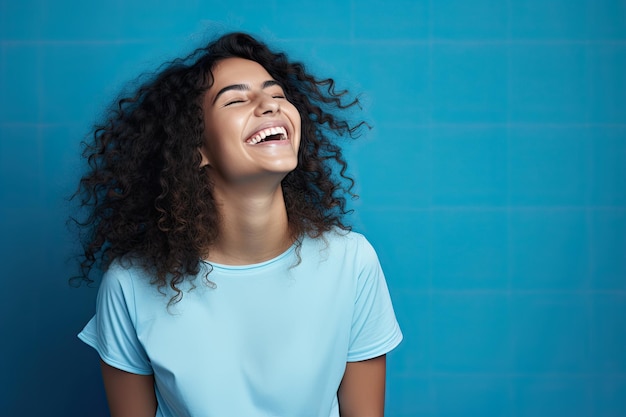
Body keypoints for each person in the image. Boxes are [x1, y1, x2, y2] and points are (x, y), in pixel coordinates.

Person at [74, 31, 402, 417]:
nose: (270, 106)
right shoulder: (130, 284)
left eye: (277, 95)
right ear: (194, 147)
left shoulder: (352, 262)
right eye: (236, 99)